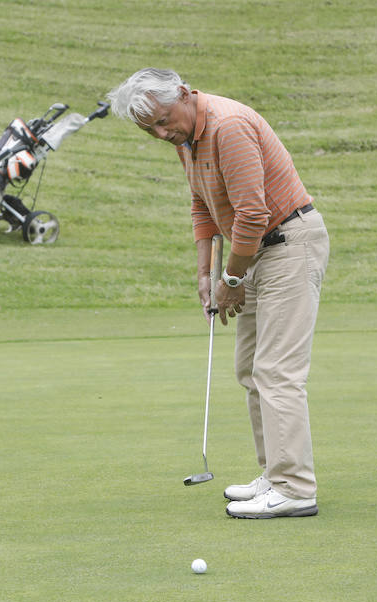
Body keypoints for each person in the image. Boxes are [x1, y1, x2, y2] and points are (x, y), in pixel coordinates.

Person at [107, 68, 330, 519]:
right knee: (250, 368)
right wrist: (205, 272)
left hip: (288, 244)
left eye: (164, 120)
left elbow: (251, 213)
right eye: (148, 129)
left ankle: (296, 488)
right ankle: (276, 474)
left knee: (276, 371)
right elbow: (201, 204)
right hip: (254, 252)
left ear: (185, 95)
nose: (161, 133)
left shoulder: (227, 127)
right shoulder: (186, 140)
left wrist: (231, 280)